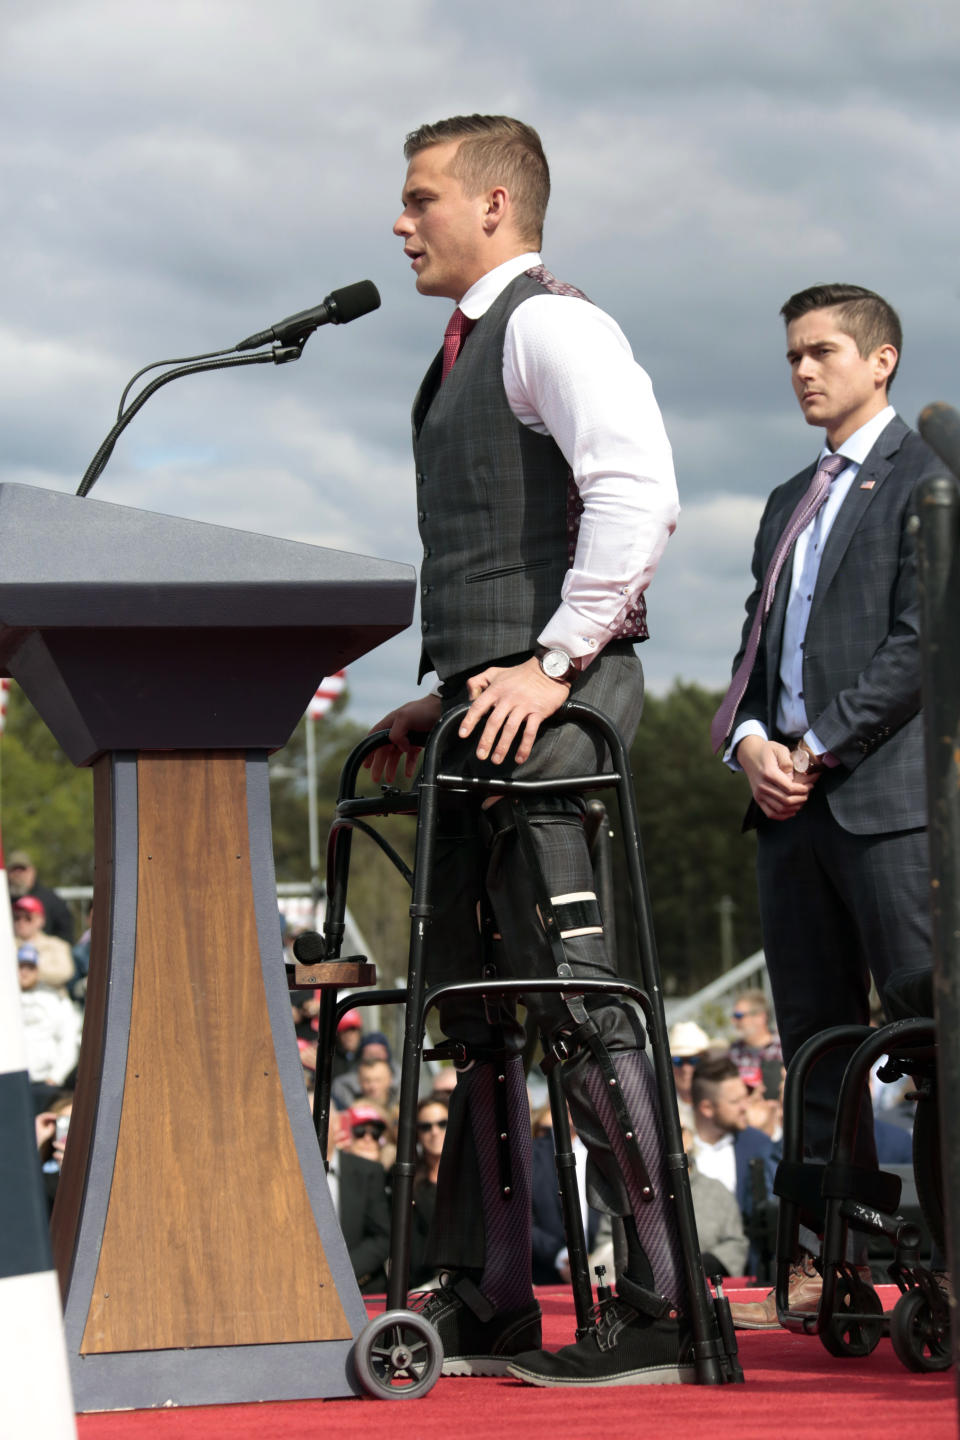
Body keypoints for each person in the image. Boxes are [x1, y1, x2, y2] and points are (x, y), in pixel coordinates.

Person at [366, 113, 686, 1387]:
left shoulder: (553, 324)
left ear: (494, 206)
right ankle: (494, 1292)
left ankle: (664, 1301)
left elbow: (638, 492)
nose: (400, 223)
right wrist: (439, 702)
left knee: (574, 991)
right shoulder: (456, 355)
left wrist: (551, 664)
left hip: (561, 700)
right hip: (488, 707)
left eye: (420, 198)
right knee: (477, 1012)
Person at [711, 283, 938, 1324]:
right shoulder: (782, 502)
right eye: (793, 355)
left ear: (881, 360)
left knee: (929, 1031)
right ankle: (817, 1266)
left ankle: (938, 1262)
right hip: (789, 813)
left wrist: (816, 743)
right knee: (812, 1047)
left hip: (887, 806)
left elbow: (920, 646)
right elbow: (754, 658)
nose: (804, 370)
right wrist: (753, 743)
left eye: (825, 352)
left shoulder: (928, 483)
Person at [689, 1057, 776, 1278]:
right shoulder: (676, 1150)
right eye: (735, 1102)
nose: (745, 1107)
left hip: (750, 1280)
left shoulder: (759, 1146)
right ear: (707, 1108)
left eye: (745, 1098)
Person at [409, 1096, 450, 1288]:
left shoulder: (475, 1175)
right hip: (420, 1287)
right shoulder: (406, 1181)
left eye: (443, 1124)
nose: (434, 1132)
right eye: (425, 1126)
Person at [7, 850, 74, 944]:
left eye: (22, 869)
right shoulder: (4, 900)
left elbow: (65, 934)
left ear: (32, 871)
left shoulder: (52, 900)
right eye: (14, 869)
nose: (18, 874)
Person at [12, 896, 75, 993]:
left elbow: (65, 972)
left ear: (41, 920)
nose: (21, 922)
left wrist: (32, 972)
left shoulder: (57, 945)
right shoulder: (7, 945)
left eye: (28, 918)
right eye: (17, 917)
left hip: (50, 999)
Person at [728, 990, 781, 1082]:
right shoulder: (734, 1051)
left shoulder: (782, 1048)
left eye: (738, 1016)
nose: (733, 1021)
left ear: (760, 1017)